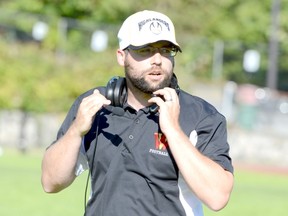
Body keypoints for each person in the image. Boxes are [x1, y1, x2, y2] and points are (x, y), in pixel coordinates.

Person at [41, 10, 234, 216]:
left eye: (166, 50)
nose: (157, 59)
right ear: (122, 56)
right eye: (146, 50)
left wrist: (174, 131)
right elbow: (51, 182)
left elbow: (217, 196)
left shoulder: (202, 115)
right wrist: (75, 131)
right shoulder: (95, 105)